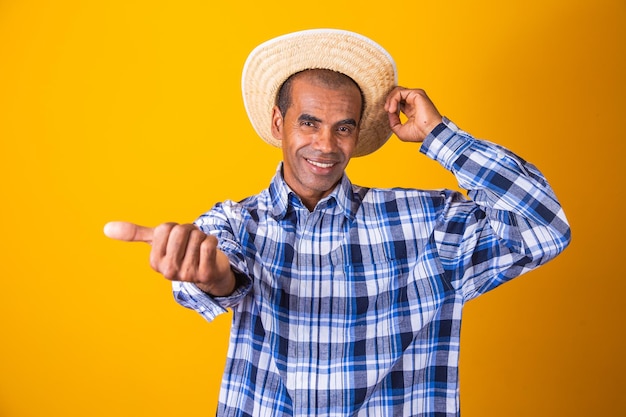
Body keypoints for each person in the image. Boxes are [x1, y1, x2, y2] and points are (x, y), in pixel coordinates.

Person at [104, 29, 571, 416]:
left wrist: (439, 136)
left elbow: (544, 226)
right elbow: (212, 271)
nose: (326, 145)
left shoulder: (428, 224)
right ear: (276, 122)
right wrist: (213, 276)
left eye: (343, 127)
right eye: (308, 123)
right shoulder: (237, 222)